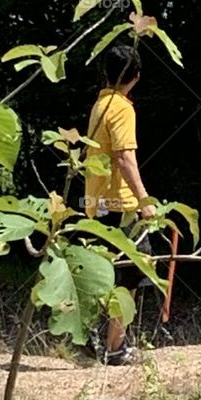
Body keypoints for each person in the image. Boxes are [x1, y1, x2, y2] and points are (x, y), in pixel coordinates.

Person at [84, 42, 157, 365]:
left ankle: (90, 335)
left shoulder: (100, 105)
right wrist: (144, 201)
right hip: (121, 205)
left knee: (101, 271)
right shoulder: (123, 107)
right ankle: (117, 348)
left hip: (96, 201)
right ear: (136, 77)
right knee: (132, 274)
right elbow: (125, 157)